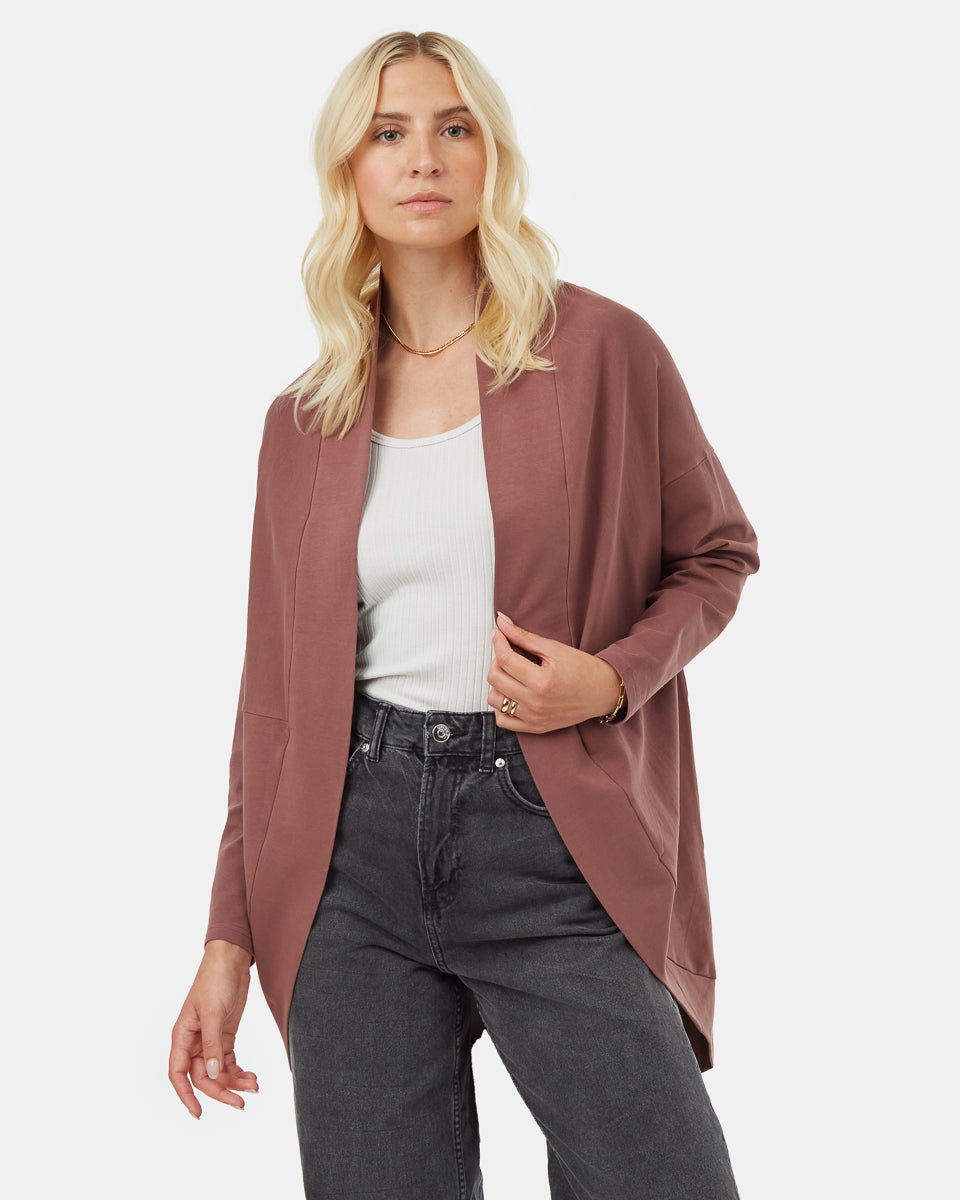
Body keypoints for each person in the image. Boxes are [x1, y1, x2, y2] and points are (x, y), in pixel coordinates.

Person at [169, 29, 759, 1200]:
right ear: (349, 170)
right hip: (349, 861)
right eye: (388, 133)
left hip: (551, 833)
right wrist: (227, 937)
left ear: (492, 156)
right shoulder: (306, 419)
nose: (423, 157)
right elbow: (271, 704)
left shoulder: (603, 352)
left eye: (454, 128)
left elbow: (716, 554)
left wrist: (612, 679)